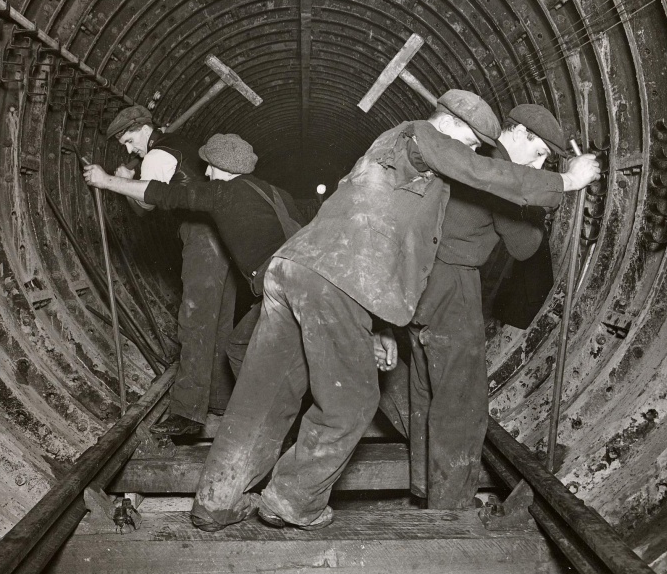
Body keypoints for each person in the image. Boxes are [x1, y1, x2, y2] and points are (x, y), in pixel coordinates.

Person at [188, 89, 600, 531]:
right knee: (352, 402)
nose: (474, 153)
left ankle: (216, 501)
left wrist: (382, 324)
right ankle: (293, 499)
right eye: (474, 143)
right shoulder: (423, 136)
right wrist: (566, 183)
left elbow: (388, 229)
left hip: (294, 267)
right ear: (453, 127)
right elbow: (480, 177)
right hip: (337, 278)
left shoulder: (385, 149)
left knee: (264, 395)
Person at [387, 104, 571, 510]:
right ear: (519, 133)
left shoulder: (468, 156)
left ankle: (425, 485)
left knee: (426, 385)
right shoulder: (500, 175)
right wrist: (538, 208)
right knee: (462, 400)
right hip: (454, 283)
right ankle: (451, 505)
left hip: (417, 279)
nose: (538, 164)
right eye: (539, 152)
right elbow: (525, 248)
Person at [89, 112, 302, 435]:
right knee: (219, 323)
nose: (131, 150)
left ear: (144, 130)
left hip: (203, 240)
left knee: (195, 320)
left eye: (130, 141)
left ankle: (188, 413)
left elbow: (150, 203)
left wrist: (116, 181)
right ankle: (218, 400)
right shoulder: (184, 146)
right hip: (229, 243)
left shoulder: (158, 154)